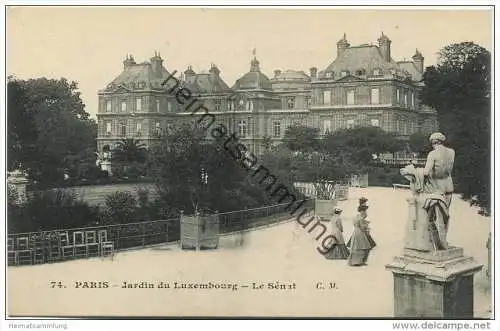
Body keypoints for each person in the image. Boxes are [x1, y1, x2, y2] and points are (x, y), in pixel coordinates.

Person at [423, 132, 455, 207]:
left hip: (437, 188)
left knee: (432, 213)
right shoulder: (452, 152)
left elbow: (426, 172)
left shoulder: (432, 154)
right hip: (449, 185)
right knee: (445, 212)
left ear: (434, 142)